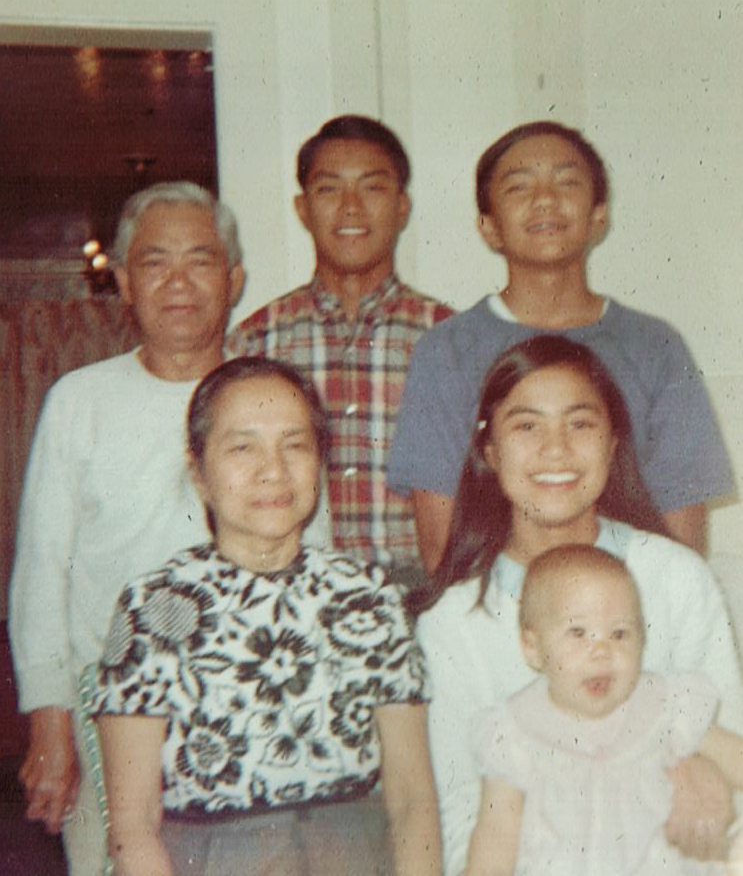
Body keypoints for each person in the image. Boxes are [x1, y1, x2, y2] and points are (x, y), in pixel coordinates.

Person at [91, 356, 441, 876]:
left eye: (295, 445)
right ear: (200, 473)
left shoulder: (369, 596)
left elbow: (413, 797)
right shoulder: (153, 606)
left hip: (356, 857)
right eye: (242, 447)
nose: (272, 469)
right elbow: (133, 823)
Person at [409, 335, 743, 876]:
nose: (556, 449)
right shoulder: (454, 622)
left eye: (580, 423)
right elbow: (462, 811)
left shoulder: (677, 578)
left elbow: (731, 758)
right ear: (490, 453)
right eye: (526, 425)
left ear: (613, 444)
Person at [8, 181, 250, 876]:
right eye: (154, 262)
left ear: (232, 280)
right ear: (122, 282)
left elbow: (309, 554)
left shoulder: (265, 394)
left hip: (240, 695)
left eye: (201, 261)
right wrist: (49, 719)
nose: (179, 282)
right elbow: (42, 568)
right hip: (104, 704)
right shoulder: (79, 401)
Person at [388, 120, 733, 568]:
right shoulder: (447, 351)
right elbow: (442, 550)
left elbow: (684, 549)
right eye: (518, 187)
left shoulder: (655, 347)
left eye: (567, 182)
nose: (545, 199)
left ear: (598, 216)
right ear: (489, 227)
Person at [227, 115, 453, 588]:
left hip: (417, 590)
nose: (351, 208)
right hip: (288, 586)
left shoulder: (450, 338)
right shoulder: (254, 342)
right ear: (303, 208)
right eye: (330, 190)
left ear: (402, 206)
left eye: (371, 188)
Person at [464, 544, 743, 876]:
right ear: (533, 647)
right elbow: (495, 839)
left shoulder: (666, 707)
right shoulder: (514, 731)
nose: (601, 651)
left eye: (620, 634)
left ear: (643, 639)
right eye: (578, 633)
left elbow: (734, 756)